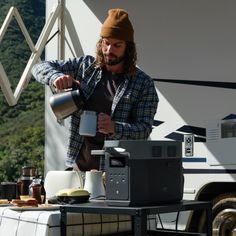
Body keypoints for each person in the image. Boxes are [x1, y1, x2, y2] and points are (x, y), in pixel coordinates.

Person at [32, 8, 159, 171]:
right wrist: (55, 77)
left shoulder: (143, 83)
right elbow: (38, 67)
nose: (109, 50)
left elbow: (144, 129)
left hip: (118, 169)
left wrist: (114, 127)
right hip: (78, 165)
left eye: (117, 45)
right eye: (106, 43)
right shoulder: (86, 66)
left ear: (128, 48)